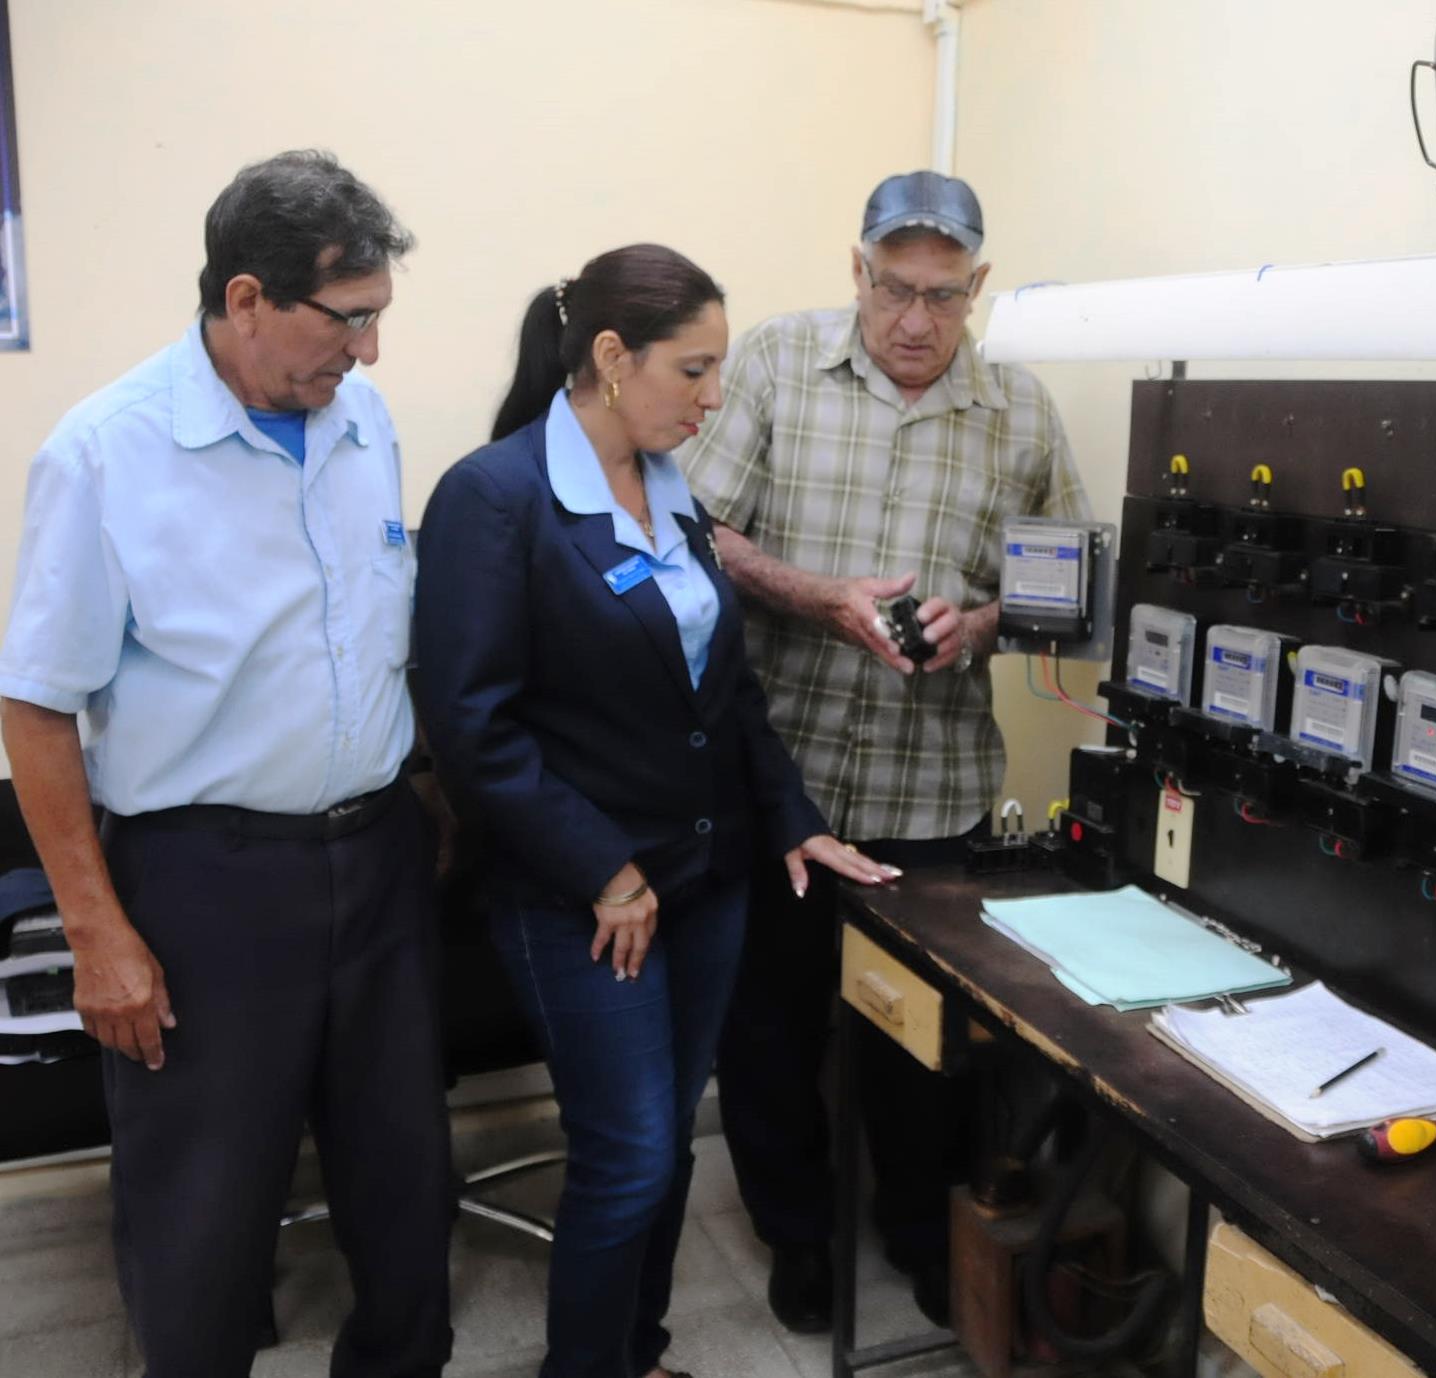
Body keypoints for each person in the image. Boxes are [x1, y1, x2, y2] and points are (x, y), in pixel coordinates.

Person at [0, 151, 451, 1378]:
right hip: (209, 885)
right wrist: (98, 933)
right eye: (347, 320)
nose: (367, 354)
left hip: (376, 858)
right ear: (245, 299)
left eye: (377, 320)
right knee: (201, 1229)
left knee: (408, 1198)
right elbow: (36, 709)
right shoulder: (107, 453)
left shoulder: (360, 419)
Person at [413, 243, 893, 1378]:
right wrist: (603, 868)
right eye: (695, 369)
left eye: (719, 369)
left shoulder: (671, 490)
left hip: (705, 881)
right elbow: (471, 728)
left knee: (668, 1147)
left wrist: (790, 814)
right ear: (612, 357)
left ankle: (638, 1354)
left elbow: (722, 695)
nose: (715, 397)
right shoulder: (496, 497)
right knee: (627, 1156)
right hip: (583, 895)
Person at [679, 170, 1089, 1329]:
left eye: (945, 297)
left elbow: (1069, 591)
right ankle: (798, 1235)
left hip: (933, 787)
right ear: (856, 272)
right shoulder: (770, 362)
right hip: (779, 773)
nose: (916, 322)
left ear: (980, 290)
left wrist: (984, 623)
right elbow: (691, 530)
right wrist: (819, 597)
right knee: (768, 1029)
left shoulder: (1020, 411)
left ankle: (919, 1231)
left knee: (926, 1048)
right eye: (895, 290)